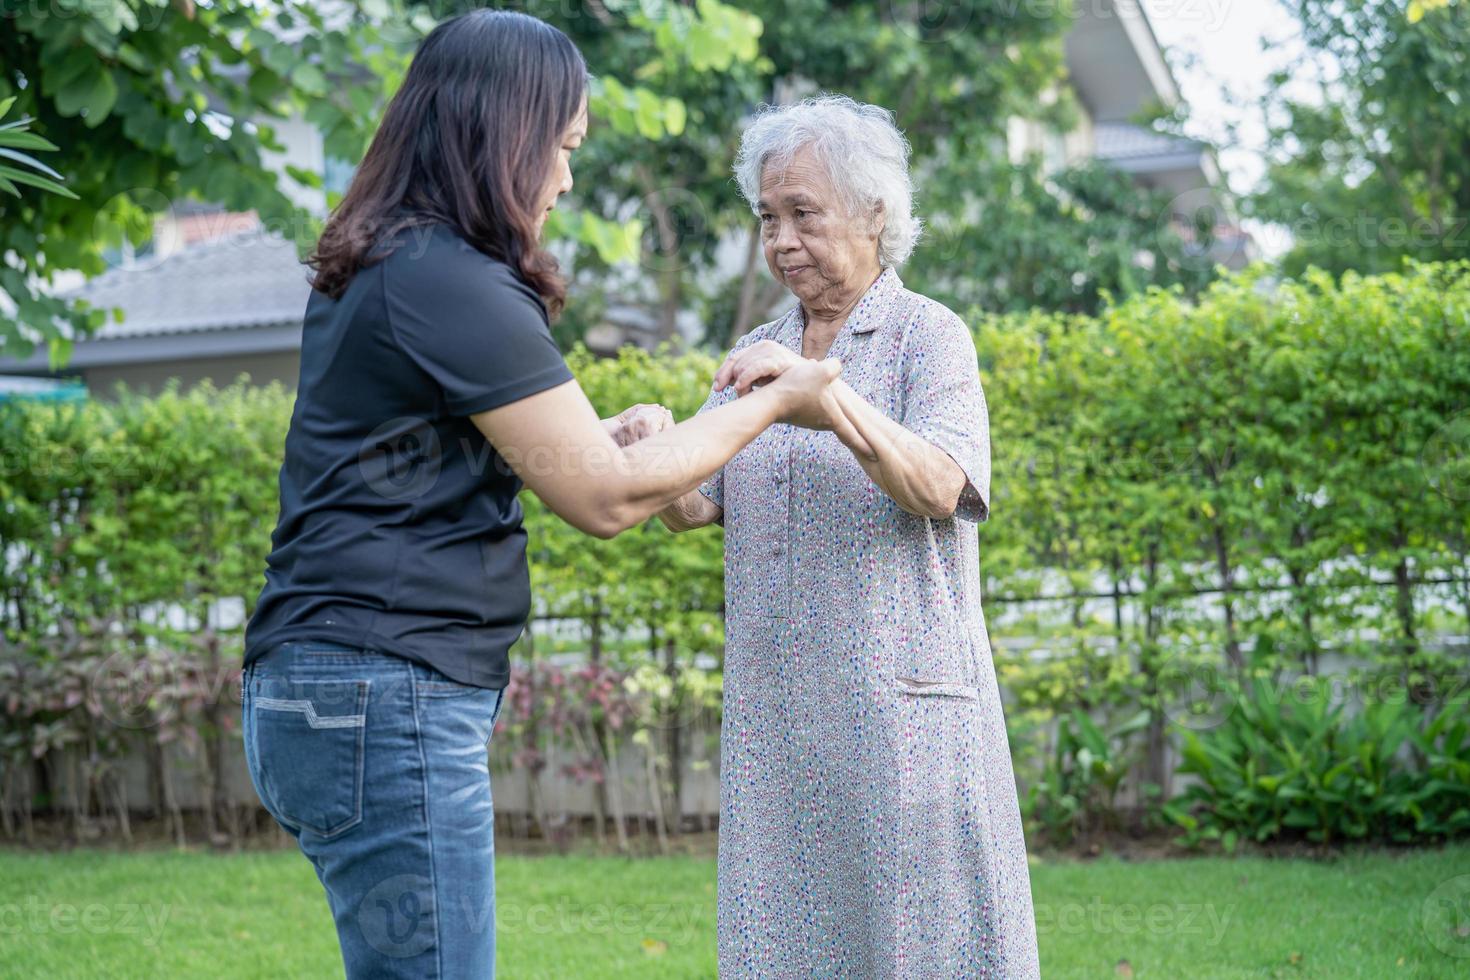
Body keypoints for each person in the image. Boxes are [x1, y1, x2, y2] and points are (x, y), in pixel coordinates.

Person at [240, 12, 845, 978]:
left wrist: (584, 442)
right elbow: (603, 503)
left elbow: (436, 459)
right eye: (561, 149)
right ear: (504, 134)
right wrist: (787, 396)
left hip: (332, 686)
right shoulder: (450, 278)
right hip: (383, 690)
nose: (565, 180)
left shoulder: (391, 261)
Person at [659, 95, 1042, 977]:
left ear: (876, 215)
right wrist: (654, 459)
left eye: (803, 213)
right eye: (766, 216)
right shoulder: (761, 347)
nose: (781, 238)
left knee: (923, 949)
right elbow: (700, 504)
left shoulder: (928, 338)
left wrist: (822, 398)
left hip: (899, 718)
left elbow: (941, 484)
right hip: (779, 722)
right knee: (787, 949)